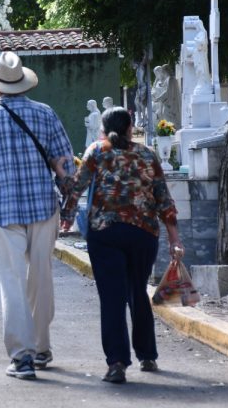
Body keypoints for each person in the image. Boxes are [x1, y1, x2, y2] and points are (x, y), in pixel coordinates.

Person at [0, 51, 74, 380]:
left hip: (4, 211)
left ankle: (22, 356)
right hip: (43, 208)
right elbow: (66, 164)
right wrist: (70, 207)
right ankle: (42, 347)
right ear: (23, 84)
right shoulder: (46, 114)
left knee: (12, 282)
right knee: (42, 277)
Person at [53, 106, 182, 384]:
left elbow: (76, 187)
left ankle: (117, 363)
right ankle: (147, 354)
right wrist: (174, 239)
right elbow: (163, 198)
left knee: (112, 299)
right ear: (129, 127)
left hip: (105, 232)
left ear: (103, 127)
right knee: (137, 291)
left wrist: (65, 216)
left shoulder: (97, 151)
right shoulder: (147, 154)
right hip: (143, 232)